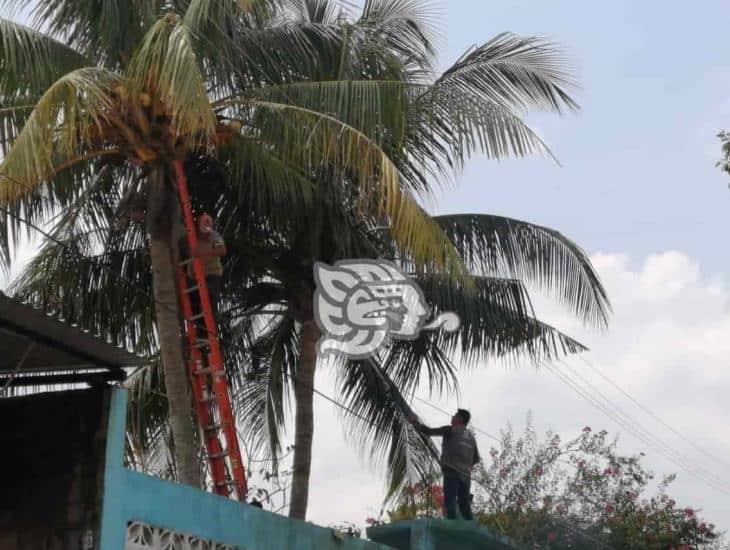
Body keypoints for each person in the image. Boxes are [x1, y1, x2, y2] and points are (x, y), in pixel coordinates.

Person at [410, 409, 480, 520]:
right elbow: (476, 459)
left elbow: (428, 431)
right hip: (466, 475)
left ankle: (451, 524)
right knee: (464, 504)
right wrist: (465, 466)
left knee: (450, 501)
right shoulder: (471, 437)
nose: (452, 416)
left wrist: (414, 422)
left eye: (455, 415)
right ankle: (471, 526)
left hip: (451, 471)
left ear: (460, 419)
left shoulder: (450, 430)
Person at [180, 213, 227, 332]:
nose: (207, 225)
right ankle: (201, 332)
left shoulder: (214, 236)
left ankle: (211, 331)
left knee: (210, 301)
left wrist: (204, 251)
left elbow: (222, 250)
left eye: (209, 222)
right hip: (194, 276)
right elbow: (184, 249)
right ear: (198, 224)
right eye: (205, 222)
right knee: (192, 304)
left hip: (212, 274)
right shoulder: (191, 236)